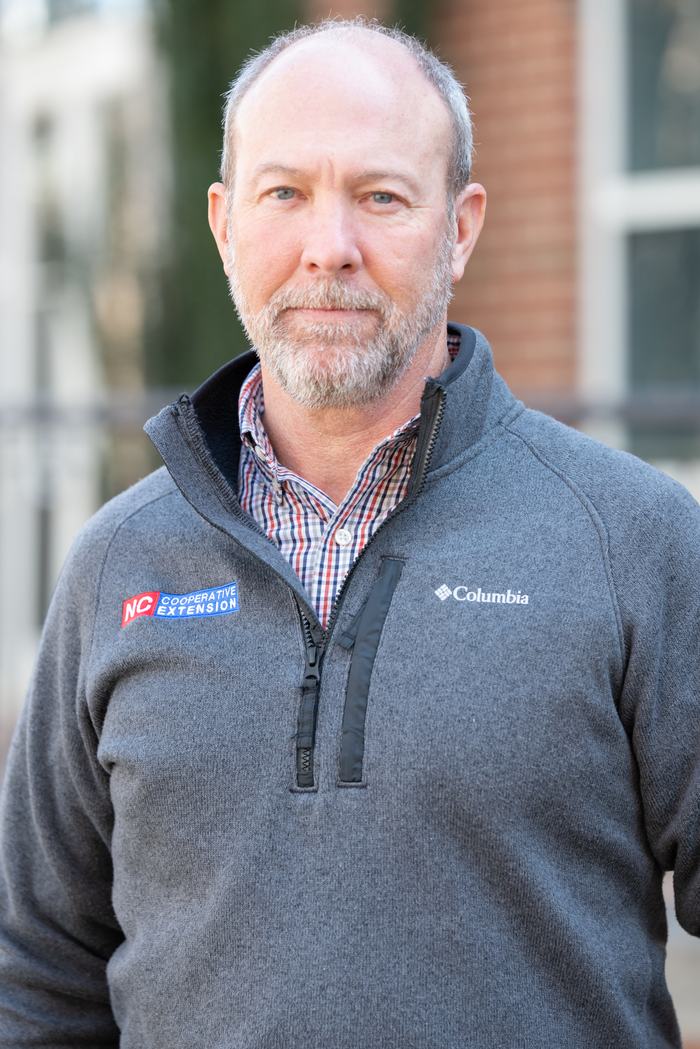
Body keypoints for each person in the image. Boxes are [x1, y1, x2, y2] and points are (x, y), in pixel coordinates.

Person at [0, 16, 699, 1049]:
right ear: (224, 221)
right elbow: (37, 977)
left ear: (459, 227)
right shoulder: (120, 562)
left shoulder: (633, 538)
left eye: (380, 196)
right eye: (283, 193)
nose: (329, 248)